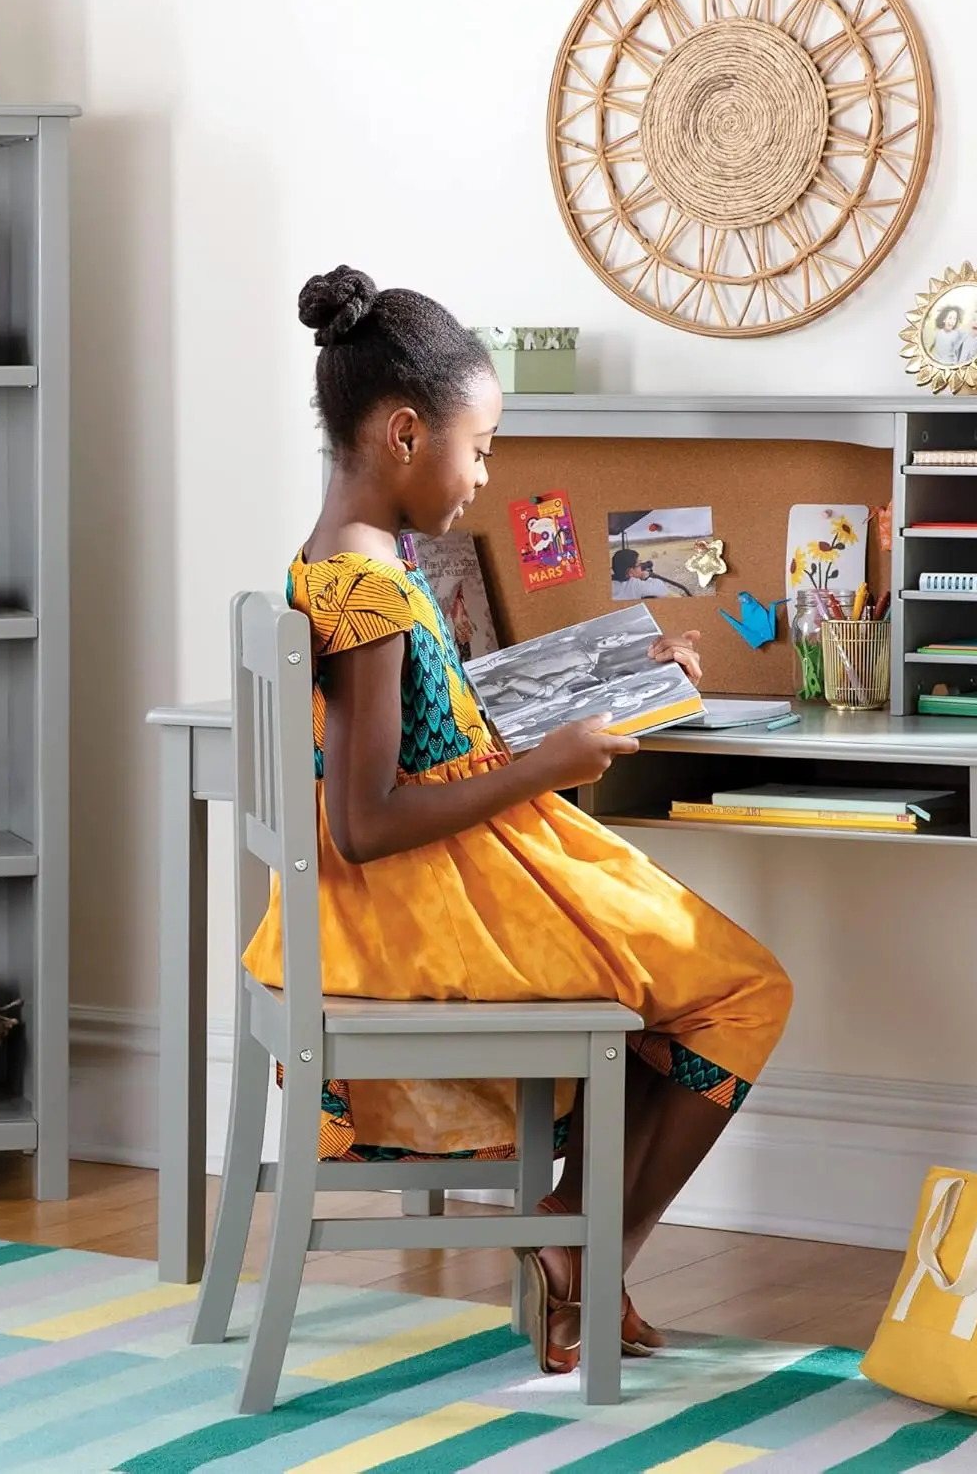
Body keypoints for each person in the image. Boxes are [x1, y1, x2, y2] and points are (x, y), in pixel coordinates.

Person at [244, 265, 793, 1377]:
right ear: (405, 433)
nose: (485, 477)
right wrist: (550, 763)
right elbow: (362, 821)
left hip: (449, 883)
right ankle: (586, 1258)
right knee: (741, 992)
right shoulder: (369, 586)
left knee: (671, 985)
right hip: (425, 906)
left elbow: (432, 725)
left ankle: (579, 1254)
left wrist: (615, 674)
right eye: (480, 447)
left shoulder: (348, 561)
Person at [611, 547, 682, 599]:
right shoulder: (635, 585)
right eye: (638, 564)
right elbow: (662, 590)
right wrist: (646, 578)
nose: (641, 566)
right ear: (630, 571)